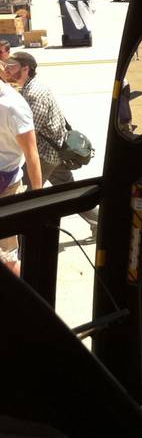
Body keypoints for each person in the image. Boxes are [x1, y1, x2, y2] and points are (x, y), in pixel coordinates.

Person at [5, 52, 98, 240]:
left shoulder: (34, 94)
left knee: (23, 199)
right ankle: (101, 223)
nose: (7, 69)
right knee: (71, 194)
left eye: (12, 66)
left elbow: (30, 132)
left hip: (46, 157)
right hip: (56, 154)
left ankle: (23, 243)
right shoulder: (30, 87)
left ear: (26, 69)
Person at [0, 75, 42, 277]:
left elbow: (32, 154)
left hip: (5, 188)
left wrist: (38, 198)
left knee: (6, 256)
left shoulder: (12, 106)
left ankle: (25, 301)